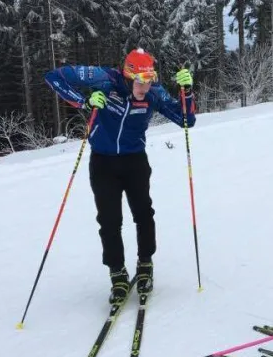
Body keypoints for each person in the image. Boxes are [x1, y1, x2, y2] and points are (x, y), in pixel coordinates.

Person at [44, 48, 196, 304]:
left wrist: (187, 92)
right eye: (139, 81)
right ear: (127, 76)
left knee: (144, 214)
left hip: (135, 160)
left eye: (149, 81)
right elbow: (54, 77)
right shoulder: (104, 79)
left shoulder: (153, 95)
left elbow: (185, 121)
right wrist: (84, 102)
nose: (144, 87)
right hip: (103, 162)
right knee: (109, 221)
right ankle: (117, 273)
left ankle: (145, 263)